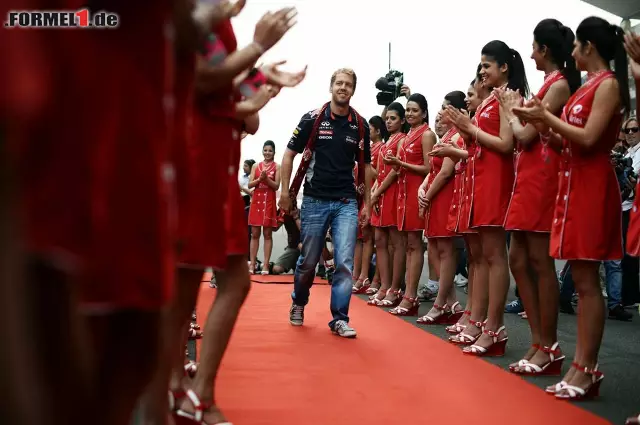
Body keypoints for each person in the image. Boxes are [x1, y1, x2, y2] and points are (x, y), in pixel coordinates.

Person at [513, 16, 629, 400]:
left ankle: (586, 367)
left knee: (586, 282)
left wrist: (544, 118)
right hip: (572, 183)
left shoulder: (608, 85)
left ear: (588, 48)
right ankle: (580, 365)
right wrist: (546, 128)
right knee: (580, 279)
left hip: (592, 186)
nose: (572, 50)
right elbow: (568, 142)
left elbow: (592, 138)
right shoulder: (586, 88)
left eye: (577, 45)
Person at [496, 18, 579, 375]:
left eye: (533, 47)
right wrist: (515, 112)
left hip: (543, 177)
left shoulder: (559, 84)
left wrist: (509, 111)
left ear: (545, 50)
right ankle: (538, 342)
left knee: (539, 262)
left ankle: (549, 345)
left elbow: (525, 135)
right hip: (527, 177)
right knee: (518, 258)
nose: (529, 54)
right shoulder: (547, 84)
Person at [279, 68, 371, 338]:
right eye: (339, 83)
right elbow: (288, 155)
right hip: (314, 200)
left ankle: (340, 318)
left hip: (346, 202)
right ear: (331, 87)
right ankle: (298, 301)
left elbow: (366, 166)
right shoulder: (312, 119)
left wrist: (367, 202)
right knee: (308, 261)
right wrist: (285, 192)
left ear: (353, 90)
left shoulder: (360, 124)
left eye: (348, 84)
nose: (343, 88)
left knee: (344, 261)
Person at [248, 140, 280, 274]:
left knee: (267, 234)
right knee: (254, 234)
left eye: (270, 151)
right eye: (265, 150)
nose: (267, 153)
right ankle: (252, 264)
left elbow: (277, 186)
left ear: (274, 152)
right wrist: (259, 180)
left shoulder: (277, 166)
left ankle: (266, 265)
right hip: (257, 201)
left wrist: (266, 180)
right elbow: (250, 185)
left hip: (269, 201)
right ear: (262, 151)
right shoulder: (256, 165)